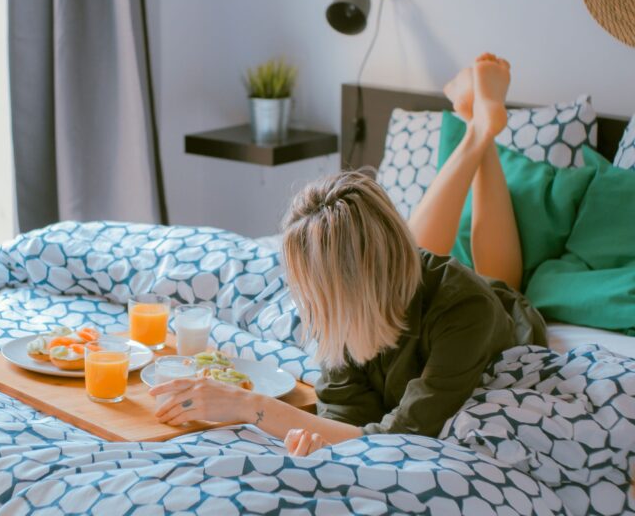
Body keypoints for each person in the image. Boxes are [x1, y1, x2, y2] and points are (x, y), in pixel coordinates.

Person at [149, 53, 546, 456]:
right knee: (417, 249)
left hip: (493, 307)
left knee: (499, 278)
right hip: (398, 280)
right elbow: (345, 414)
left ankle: (481, 131)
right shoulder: (341, 310)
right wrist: (322, 437)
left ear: (349, 283)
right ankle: (478, 127)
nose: (305, 301)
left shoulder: (466, 311)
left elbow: (406, 435)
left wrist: (251, 407)